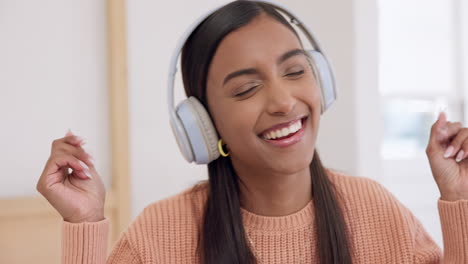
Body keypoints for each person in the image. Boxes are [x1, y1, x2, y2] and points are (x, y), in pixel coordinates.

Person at [36, 1, 468, 263]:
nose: (282, 101)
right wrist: (85, 223)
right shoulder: (158, 234)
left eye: (296, 71)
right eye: (246, 88)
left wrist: (461, 200)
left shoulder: (376, 210)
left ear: (323, 84)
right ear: (203, 126)